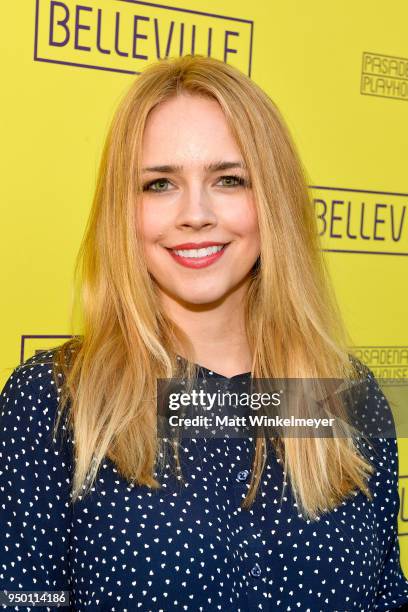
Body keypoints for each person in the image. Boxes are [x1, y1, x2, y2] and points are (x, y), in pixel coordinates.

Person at [1, 53, 408, 611]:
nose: (195, 213)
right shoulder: (52, 401)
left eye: (229, 179)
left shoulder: (345, 400)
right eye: (160, 183)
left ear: (273, 203)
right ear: (125, 209)